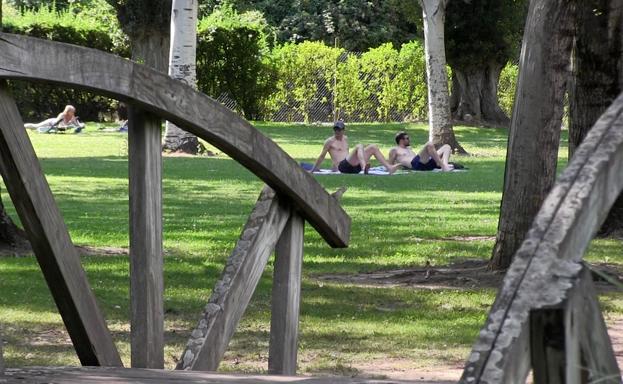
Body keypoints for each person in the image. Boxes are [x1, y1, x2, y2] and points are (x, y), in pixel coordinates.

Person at [310, 121, 400, 174]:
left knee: (373, 147)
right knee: (359, 146)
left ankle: (389, 168)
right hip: (342, 168)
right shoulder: (329, 141)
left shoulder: (346, 139)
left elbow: (347, 154)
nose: (337, 131)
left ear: (343, 130)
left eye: (339, 130)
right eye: (335, 129)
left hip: (353, 167)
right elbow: (322, 156)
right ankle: (364, 167)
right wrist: (313, 170)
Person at [388, 131, 453, 172]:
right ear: (401, 140)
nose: (409, 140)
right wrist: (399, 166)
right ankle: (443, 167)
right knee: (429, 144)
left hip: (423, 163)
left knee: (446, 147)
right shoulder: (394, 150)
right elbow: (390, 164)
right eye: (407, 138)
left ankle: (444, 165)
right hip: (415, 165)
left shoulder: (409, 149)